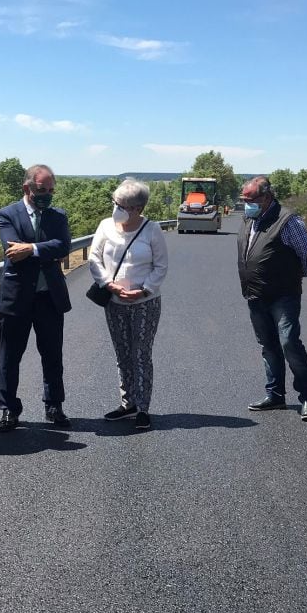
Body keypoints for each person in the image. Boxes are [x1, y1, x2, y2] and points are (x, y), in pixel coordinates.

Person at [0, 164, 72, 432]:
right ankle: (8, 410)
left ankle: (54, 405)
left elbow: (63, 246)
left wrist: (33, 248)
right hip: (16, 298)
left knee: (52, 355)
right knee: (9, 357)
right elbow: (11, 250)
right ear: (27, 188)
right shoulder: (7, 214)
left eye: (50, 190)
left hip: (49, 297)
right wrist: (41, 251)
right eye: (41, 190)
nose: (47, 195)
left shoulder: (57, 216)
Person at [236, 176, 307, 421]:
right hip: (255, 294)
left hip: (283, 296)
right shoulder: (249, 219)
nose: (246, 204)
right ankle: (275, 395)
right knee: (268, 346)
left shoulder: (288, 220)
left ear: (266, 196)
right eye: (244, 199)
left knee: (289, 342)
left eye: (250, 200)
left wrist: (291, 279)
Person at [88, 178, 169, 431]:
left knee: (141, 354)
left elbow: (161, 266)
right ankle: (128, 403)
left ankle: (143, 407)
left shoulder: (152, 230)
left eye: (121, 204)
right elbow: (94, 258)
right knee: (122, 353)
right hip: (114, 301)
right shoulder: (105, 226)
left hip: (144, 302)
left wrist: (144, 289)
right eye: (116, 203)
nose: (116, 208)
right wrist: (107, 284)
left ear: (137, 208)